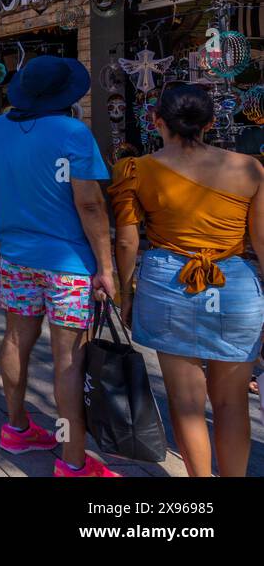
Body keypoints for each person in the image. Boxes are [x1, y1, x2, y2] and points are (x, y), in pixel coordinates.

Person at [0, 56, 119, 477]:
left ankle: (16, 428)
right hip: (69, 263)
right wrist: (106, 267)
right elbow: (89, 203)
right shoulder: (73, 132)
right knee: (68, 358)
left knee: (16, 339)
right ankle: (72, 462)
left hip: (16, 256)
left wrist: (2, 233)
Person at [111, 83, 264, 477]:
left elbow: (128, 241)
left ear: (156, 120)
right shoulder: (250, 168)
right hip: (235, 287)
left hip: (167, 284)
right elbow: (262, 241)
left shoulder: (136, 170)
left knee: (186, 402)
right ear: (211, 122)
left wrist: (124, 292)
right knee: (232, 404)